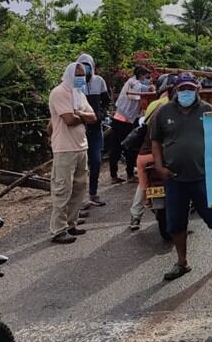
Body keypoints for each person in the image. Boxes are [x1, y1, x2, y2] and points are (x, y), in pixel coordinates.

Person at [151, 73, 212, 280]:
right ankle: (182, 262)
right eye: (182, 89)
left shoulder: (208, 110)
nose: (186, 92)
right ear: (175, 90)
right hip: (175, 178)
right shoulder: (163, 112)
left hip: (204, 177)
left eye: (190, 88)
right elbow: (155, 141)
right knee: (176, 223)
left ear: (197, 89)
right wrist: (159, 166)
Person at [47, 63, 98, 244]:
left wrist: (79, 114)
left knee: (78, 188)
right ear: (69, 74)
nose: (81, 78)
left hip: (81, 146)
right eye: (78, 74)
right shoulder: (59, 93)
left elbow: (94, 117)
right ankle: (58, 230)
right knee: (62, 190)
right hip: (64, 148)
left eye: (83, 75)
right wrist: (81, 115)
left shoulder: (79, 94)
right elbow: (69, 120)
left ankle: (71, 224)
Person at [129, 74, 176, 231]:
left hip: (144, 156)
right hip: (167, 155)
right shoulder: (177, 108)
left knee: (143, 184)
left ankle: (135, 216)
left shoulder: (152, 105)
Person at [76, 53, 111, 208]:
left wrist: (100, 114)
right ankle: (79, 199)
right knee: (80, 166)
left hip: (96, 129)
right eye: (82, 65)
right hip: (79, 129)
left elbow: (106, 101)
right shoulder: (75, 83)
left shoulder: (99, 81)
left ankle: (93, 193)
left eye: (88, 65)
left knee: (96, 161)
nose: (85, 68)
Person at [110, 66, 154, 184]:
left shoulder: (135, 83)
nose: (148, 79)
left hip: (129, 120)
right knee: (123, 148)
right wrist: (150, 87)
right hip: (122, 120)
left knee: (126, 148)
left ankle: (126, 174)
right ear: (141, 75)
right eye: (146, 76)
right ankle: (120, 175)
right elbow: (141, 90)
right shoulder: (133, 83)